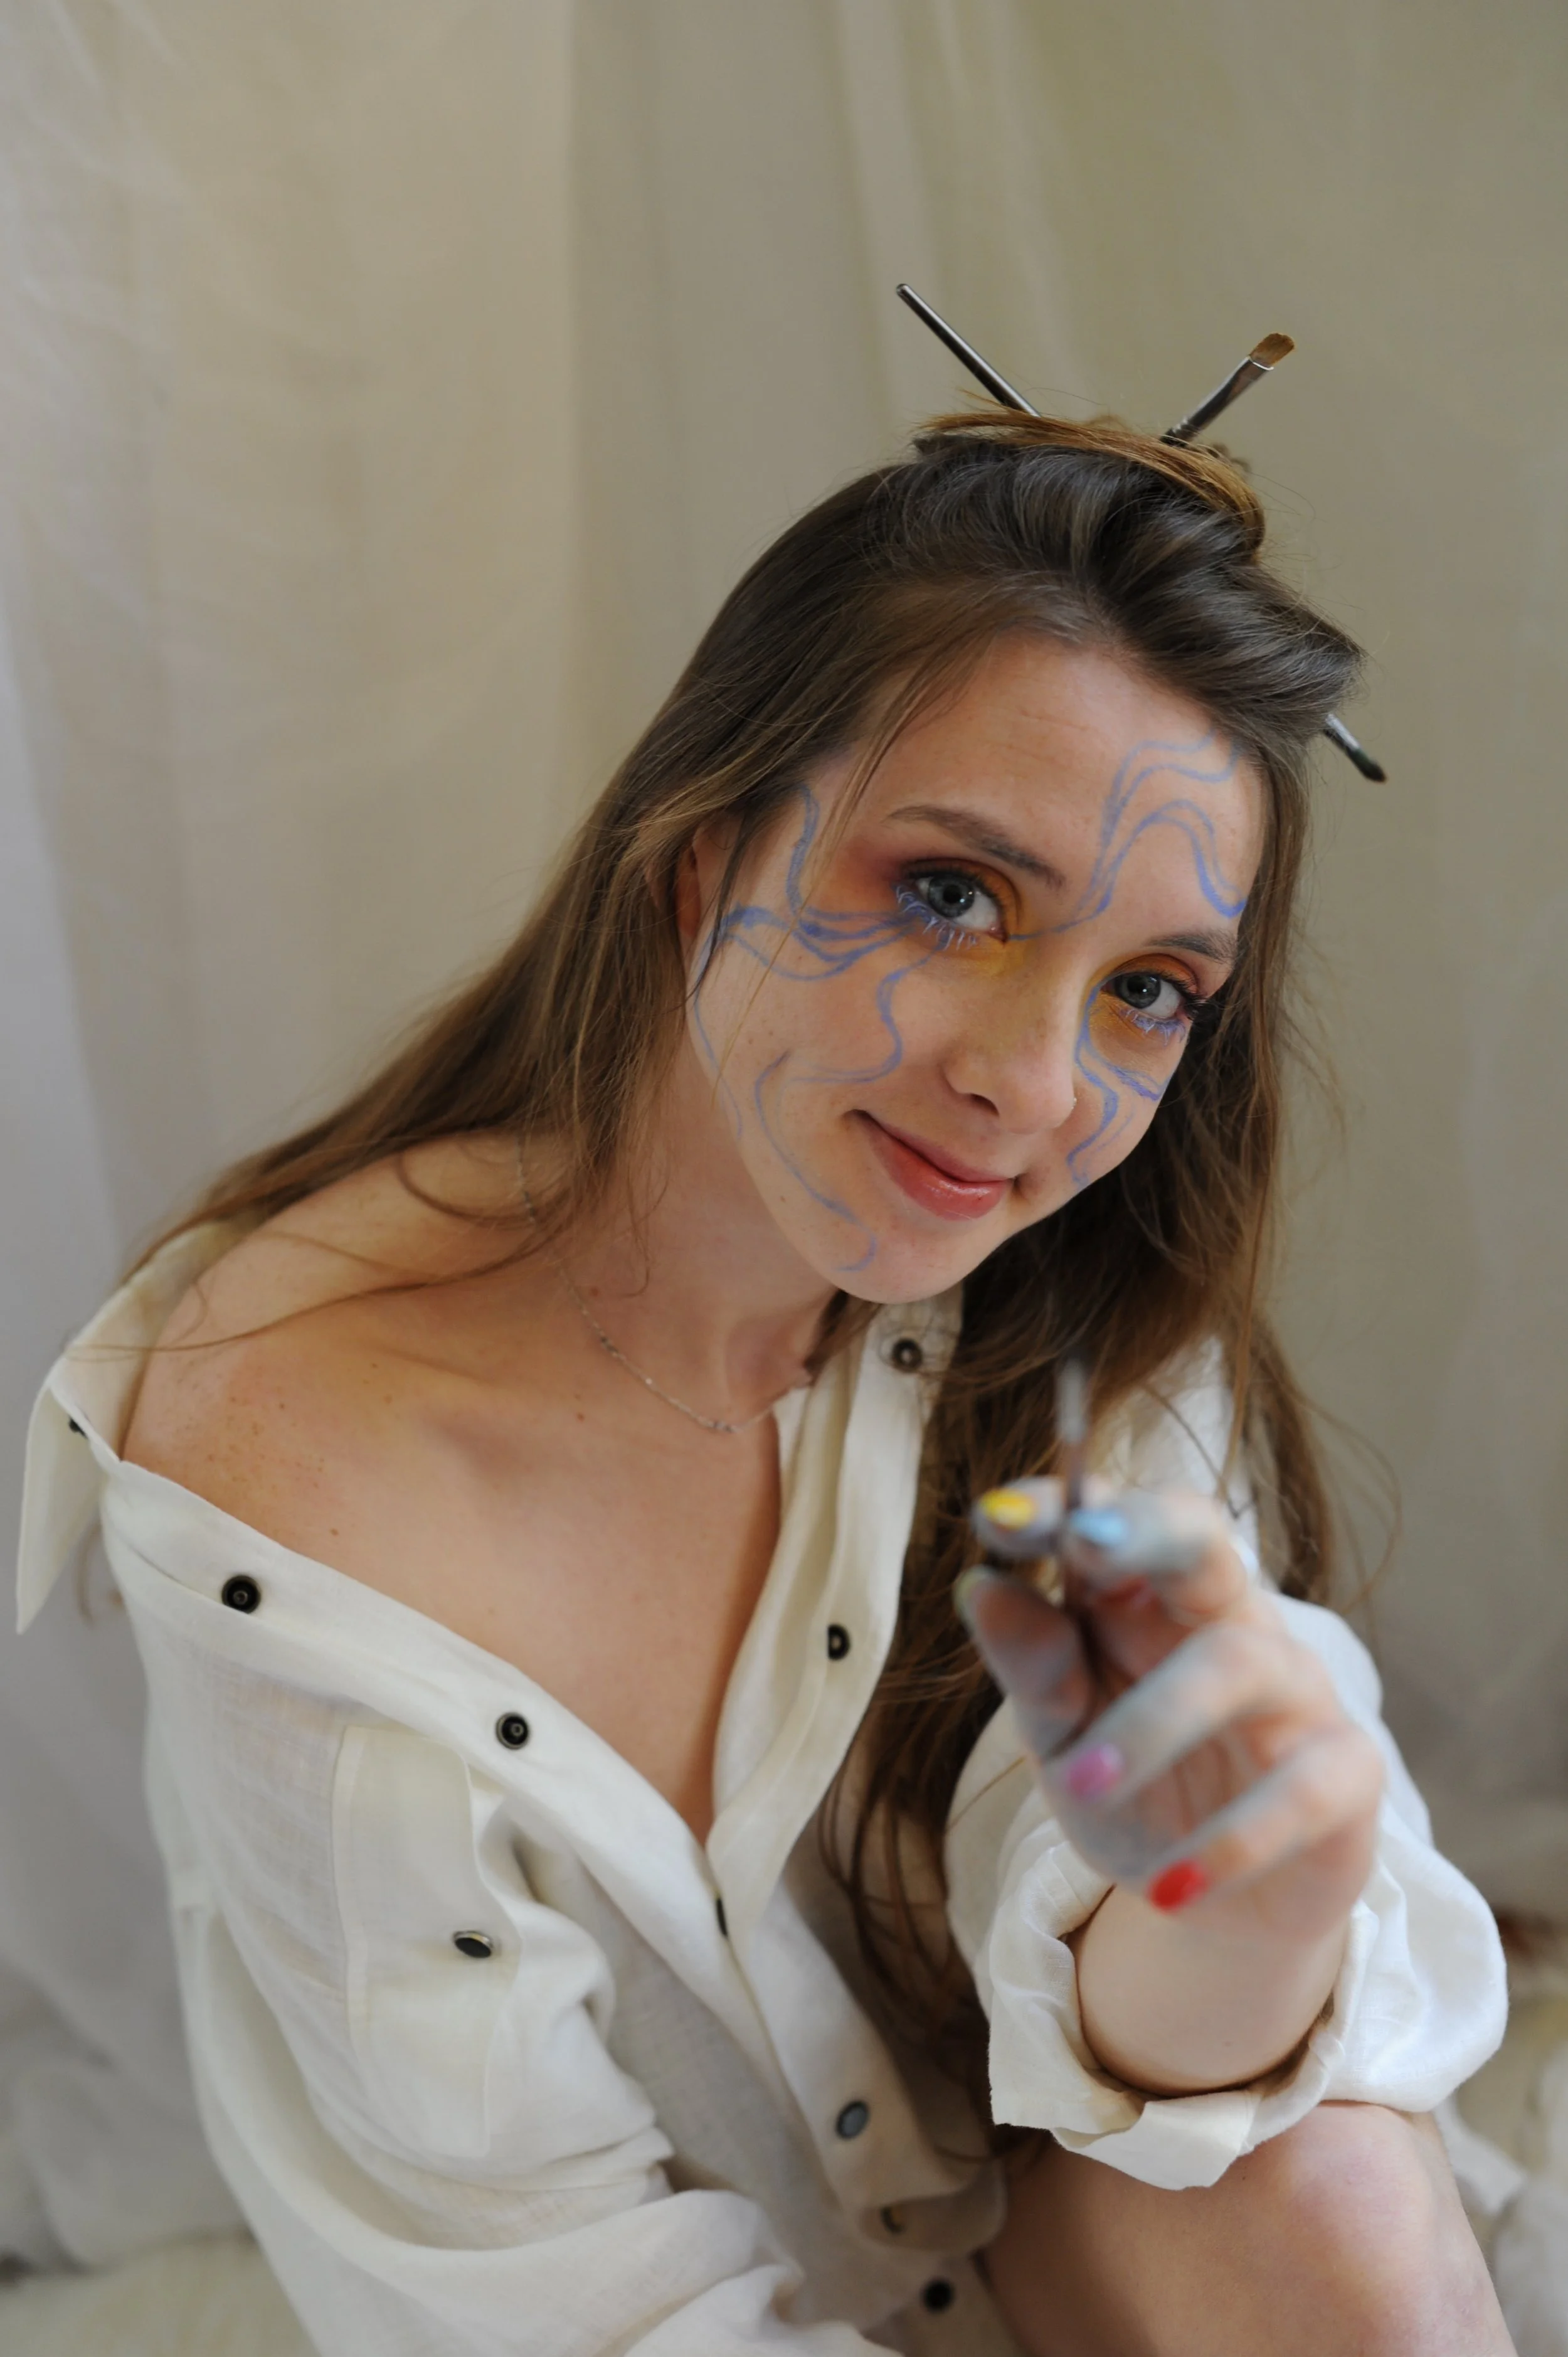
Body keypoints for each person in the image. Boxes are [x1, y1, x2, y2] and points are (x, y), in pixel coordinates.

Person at [19, 412, 1512, 2355]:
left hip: (1099, 2245)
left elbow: (1183, 2061)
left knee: (1326, 2196)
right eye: (953, 895)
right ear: (699, 850)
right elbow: (569, 2302)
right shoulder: (300, 1464)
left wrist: (1239, 1916)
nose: (1038, 1086)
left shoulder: (1068, 1298)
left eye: (1147, 986)